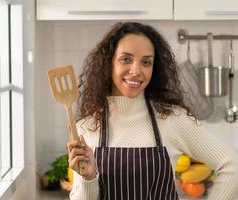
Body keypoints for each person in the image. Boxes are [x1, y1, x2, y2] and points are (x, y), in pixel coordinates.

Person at [67, 22, 238, 200]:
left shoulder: (171, 119)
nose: (136, 71)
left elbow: (232, 165)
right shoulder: (86, 127)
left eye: (146, 62)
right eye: (126, 59)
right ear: (108, 63)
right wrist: (88, 178)